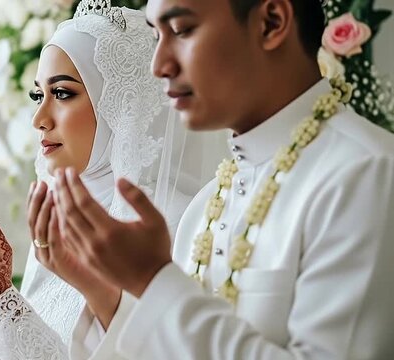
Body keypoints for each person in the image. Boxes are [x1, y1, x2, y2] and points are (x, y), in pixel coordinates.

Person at [45, 0, 394, 358]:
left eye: (181, 31)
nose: (159, 65)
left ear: (271, 23)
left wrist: (151, 279)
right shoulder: (206, 206)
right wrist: (102, 291)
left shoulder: (366, 174)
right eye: (155, 36)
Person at [0, 2, 210, 359]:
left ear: (122, 106)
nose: (39, 119)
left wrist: (0, 299)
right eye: (38, 95)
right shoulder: (59, 220)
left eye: (62, 93)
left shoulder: (177, 223)